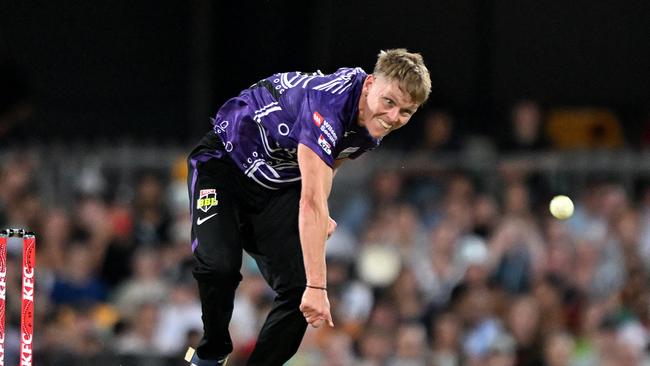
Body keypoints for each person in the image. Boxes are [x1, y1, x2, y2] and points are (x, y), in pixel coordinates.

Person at [186, 49, 431, 365]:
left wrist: (322, 213)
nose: (394, 117)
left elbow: (333, 161)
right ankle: (210, 354)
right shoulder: (326, 105)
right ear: (370, 84)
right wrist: (318, 285)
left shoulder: (372, 124)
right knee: (220, 267)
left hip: (277, 185)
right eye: (390, 102)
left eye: (406, 112)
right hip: (223, 166)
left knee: (300, 294)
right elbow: (311, 200)